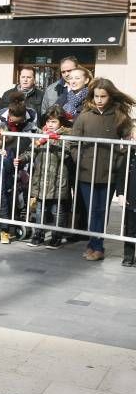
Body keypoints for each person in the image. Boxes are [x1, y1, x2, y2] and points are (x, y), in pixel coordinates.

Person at [70, 78, 135, 261]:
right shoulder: (84, 116)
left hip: (109, 173)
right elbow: (73, 143)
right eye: (96, 96)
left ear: (110, 96)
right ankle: (95, 245)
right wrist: (80, 160)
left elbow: (127, 143)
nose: (99, 99)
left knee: (102, 210)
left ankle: (96, 246)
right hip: (86, 171)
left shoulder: (120, 116)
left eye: (103, 96)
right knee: (91, 210)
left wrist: (118, 161)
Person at [14, 105, 73, 249]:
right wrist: (22, 159)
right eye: (48, 121)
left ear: (61, 123)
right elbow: (32, 151)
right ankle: (38, 235)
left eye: (54, 122)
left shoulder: (67, 135)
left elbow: (67, 152)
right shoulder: (41, 135)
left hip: (57, 180)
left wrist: (53, 140)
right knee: (40, 210)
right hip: (40, 180)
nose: (50, 125)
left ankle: (56, 236)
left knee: (56, 211)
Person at [115, 129, 136, 266]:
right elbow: (121, 176)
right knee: (130, 228)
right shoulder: (129, 155)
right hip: (131, 199)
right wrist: (121, 194)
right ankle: (128, 256)